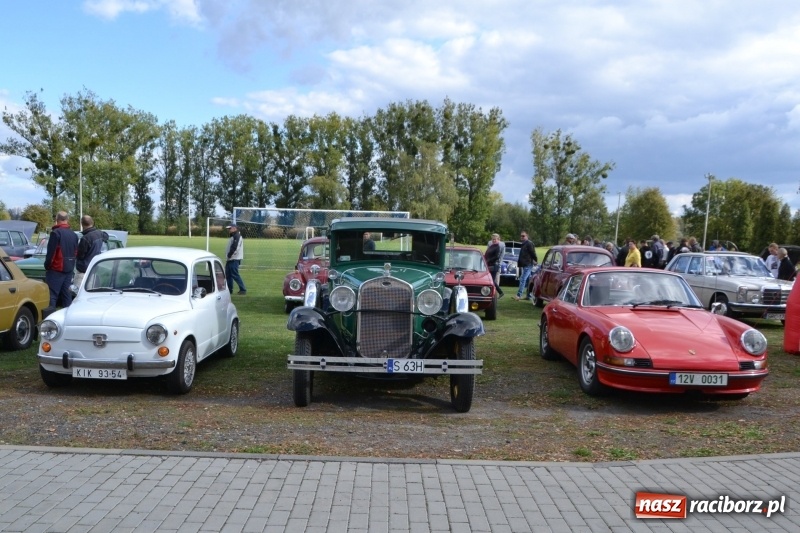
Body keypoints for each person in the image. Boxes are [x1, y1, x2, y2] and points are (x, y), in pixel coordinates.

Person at [44, 211, 79, 308]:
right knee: (66, 295)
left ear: (57, 219)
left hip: (56, 269)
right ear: (67, 219)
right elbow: (76, 252)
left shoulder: (55, 233)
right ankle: (69, 319)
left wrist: (47, 266)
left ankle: (49, 319)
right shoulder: (74, 234)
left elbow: (51, 253)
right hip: (69, 268)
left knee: (52, 296)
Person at [74, 215, 105, 290]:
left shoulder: (85, 238)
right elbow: (106, 236)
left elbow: (80, 255)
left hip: (84, 269)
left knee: (79, 292)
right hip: (94, 267)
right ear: (92, 222)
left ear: (82, 224)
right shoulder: (99, 234)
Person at [514, 231, 538, 300]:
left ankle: (519, 295)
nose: (522, 237)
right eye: (521, 236)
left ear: (527, 236)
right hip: (525, 264)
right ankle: (529, 295)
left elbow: (532, 253)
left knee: (522, 279)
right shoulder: (524, 244)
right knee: (528, 280)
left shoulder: (529, 243)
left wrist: (535, 260)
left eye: (523, 236)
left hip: (528, 264)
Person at [225, 225, 247, 295]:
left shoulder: (237, 236)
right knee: (228, 275)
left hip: (234, 259)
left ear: (234, 228)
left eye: (230, 229)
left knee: (234, 274)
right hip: (231, 259)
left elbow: (235, 248)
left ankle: (243, 289)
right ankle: (229, 290)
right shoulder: (234, 236)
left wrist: (229, 256)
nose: (229, 230)